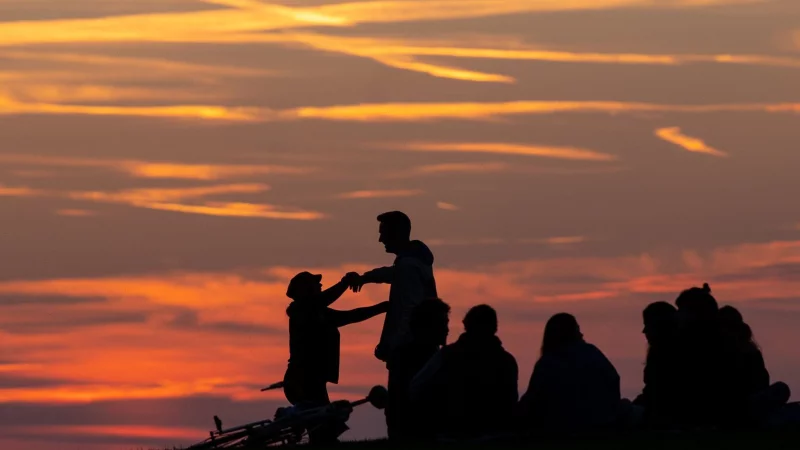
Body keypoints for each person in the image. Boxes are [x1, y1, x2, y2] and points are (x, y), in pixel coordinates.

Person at [347, 211, 438, 437]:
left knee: (400, 407)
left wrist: (393, 344)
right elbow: (392, 274)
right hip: (419, 346)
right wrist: (366, 277)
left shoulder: (408, 266)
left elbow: (410, 310)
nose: (380, 239)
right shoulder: (412, 262)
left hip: (409, 349)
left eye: (384, 233)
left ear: (396, 233)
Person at [282, 271, 388, 444]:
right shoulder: (303, 311)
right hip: (302, 381)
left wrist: (381, 307)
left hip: (309, 380)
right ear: (306, 290)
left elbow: (352, 315)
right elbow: (325, 299)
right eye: (316, 284)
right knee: (324, 428)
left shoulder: (318, 313)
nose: (320, 286)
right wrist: (345, 282)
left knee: (323, 428)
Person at [411, 305, 518, 439]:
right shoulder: (507, 361)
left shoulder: (447, 355)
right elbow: (511, 401)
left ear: (466, 325)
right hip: (495, 434)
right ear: (494, 328)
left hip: (452, 433)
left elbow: (416, 388)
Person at [518, 313, 622, 433]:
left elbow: (532, 398)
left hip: (559, 425)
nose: (582, 334)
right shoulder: (592, 353)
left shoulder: (547, 363)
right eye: (578, 330)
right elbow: (613, 381)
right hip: (600, 423)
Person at [386, 298, 451, 441]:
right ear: (426, 326)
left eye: (446, 323)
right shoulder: (407, 358)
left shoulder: (437, 357)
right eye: (442, 324)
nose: (447, 330)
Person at [718, 305, 790, 425]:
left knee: (781, 389)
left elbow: (761, 382)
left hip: (745, 403)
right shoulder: (729, 351)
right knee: (781, 390)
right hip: (737, 405)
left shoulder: (749, 352)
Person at [634, 302, 679, 427]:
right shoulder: (661, 353)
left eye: (648, 325)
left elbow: (657, 393)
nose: (644, 331)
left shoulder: (666, 356)